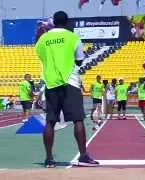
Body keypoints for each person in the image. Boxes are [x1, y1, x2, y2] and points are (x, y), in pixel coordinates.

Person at [35, 11, 99, 168]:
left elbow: (41, 56)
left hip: (51, 83)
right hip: (70, 82)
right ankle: (83, 156)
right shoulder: (73, 37)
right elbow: (79, 61)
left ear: (54, 22)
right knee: (78, 120)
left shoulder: (43, 39)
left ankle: (49, 159)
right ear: (67, 22)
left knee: (50, 121)